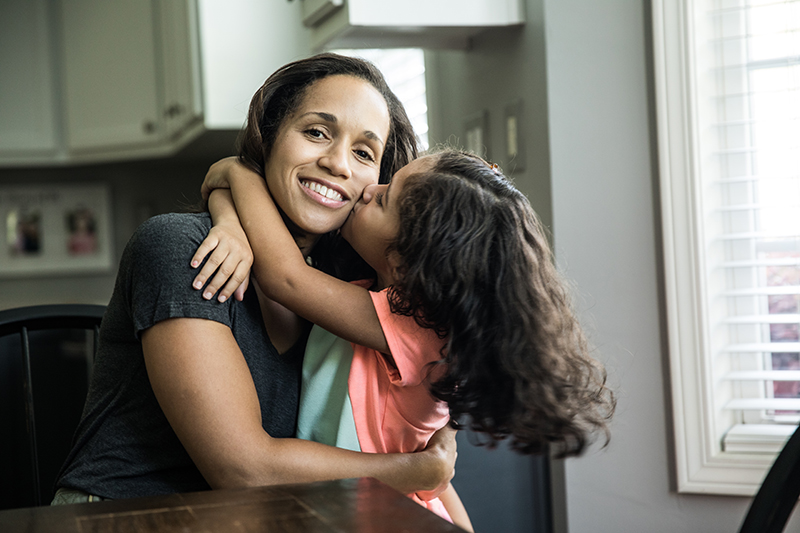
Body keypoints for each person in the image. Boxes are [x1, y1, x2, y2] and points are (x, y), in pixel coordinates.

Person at [51, 53, 457, 505]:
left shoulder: (346, 290)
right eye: (316, 132)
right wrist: (414, 472)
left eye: (364, 153)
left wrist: (231, 183)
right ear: (270, 137)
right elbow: (243, 470)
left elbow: (412, 447)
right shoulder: (182, 249)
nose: (339, 164)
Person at [193, 149, 616, 531]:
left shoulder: (412, 327)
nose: (366, 190)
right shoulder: (383, 306)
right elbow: (428, 474)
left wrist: (238, 170)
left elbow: (285, 277)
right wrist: (226, 213)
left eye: (383, 198)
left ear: (402, 261)